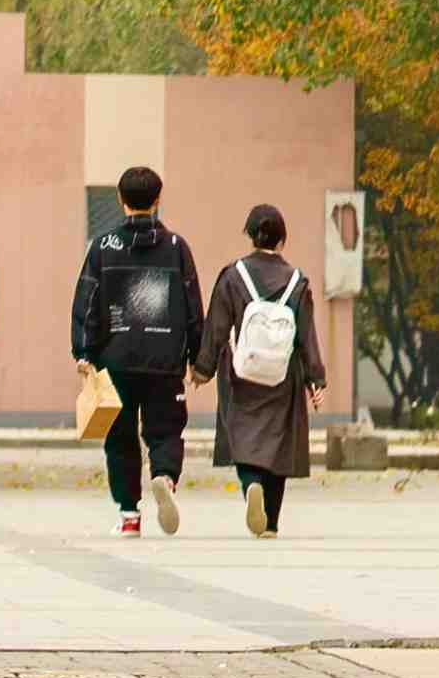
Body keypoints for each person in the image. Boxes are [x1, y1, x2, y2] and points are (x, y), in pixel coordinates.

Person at [71, 162, 204, 538]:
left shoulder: (103, 247)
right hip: (165, 362)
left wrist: (83, 351)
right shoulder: (177, 248)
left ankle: (130, 515)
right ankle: (164, 477)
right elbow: (193, 306)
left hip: (116, 360)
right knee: (166, 430)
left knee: (120, 438)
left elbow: (87, 300)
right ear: (158, 199)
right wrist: (198, 359)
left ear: (120, 199)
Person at [204, 201, 331, 536]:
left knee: (242, 435)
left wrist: (201, 369)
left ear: (250, 235)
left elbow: (216, 326)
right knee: (279, 441)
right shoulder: (297, 281)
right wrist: (315, 378)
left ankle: (250, 487)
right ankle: (271, 522)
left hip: (241, 370)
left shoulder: (233, 275)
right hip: (284, 374)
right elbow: (306, 334)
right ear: (282, 240)